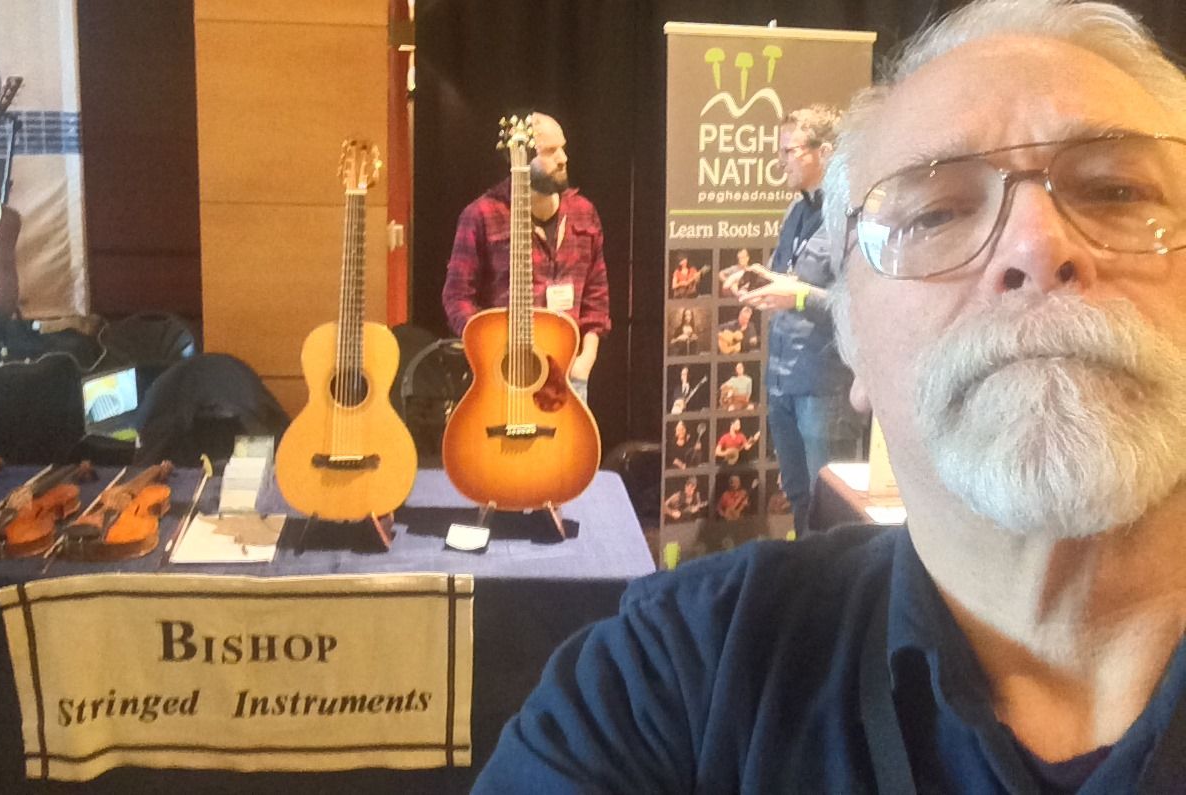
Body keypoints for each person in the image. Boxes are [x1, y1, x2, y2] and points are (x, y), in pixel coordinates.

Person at [473, 1, 1186, 791]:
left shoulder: (585, 219)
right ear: (856, 342)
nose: (1036, 244)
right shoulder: (669, 680)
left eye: (1119, 192)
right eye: (937, 211)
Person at [737, 104, 862, 537]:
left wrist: (801, 296)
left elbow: (861, 308)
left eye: (789, 151)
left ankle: (833, 599)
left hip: (825, 389)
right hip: (783, 382)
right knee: (798, 497)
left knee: (830, 511)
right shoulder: (797, 211)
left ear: (824, 152)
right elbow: (791, 278)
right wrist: (760, 282)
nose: (780, 161)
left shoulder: (853, 218)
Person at [442, 112, 610, 402]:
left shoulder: (584, 212)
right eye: (550, 151)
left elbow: (597, 297)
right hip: (504, 376)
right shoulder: (481, 215)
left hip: (567, 375)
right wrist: (489, 351)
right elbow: (457, 297)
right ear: (519, 158)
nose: (563, 158)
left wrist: (586, 360)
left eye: (563, 147)